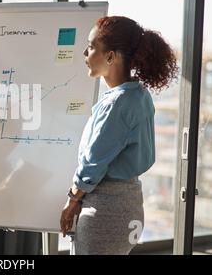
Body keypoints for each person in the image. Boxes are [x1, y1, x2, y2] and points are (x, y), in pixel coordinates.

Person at [60, 16, 178, 254]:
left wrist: (72, 201)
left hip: (105, 209)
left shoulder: (117, 103)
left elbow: (93, 161)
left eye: (91, 46)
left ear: (111, 56)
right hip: (130, 204)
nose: (85, 52)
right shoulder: (139, 95)